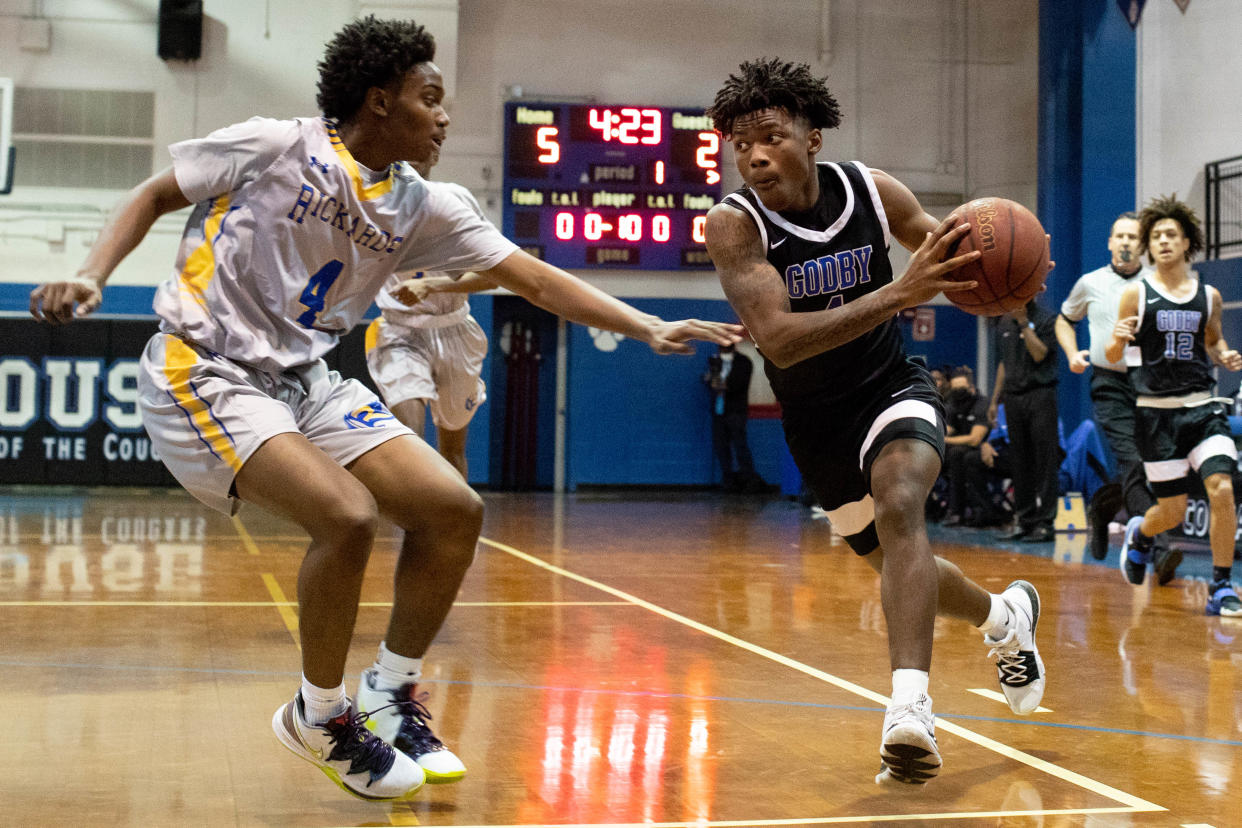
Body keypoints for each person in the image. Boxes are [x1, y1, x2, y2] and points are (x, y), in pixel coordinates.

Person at [28, 17, 741, 802]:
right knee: (348, 516)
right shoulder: (274, 145)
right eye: (429, 98)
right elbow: (156, 191)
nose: (443, 116)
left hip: (305, 378)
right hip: (205, 368)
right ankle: (320, 713)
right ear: (377, 101)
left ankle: (390, 693)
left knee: (451, 509)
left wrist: (645, 323)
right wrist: (94, 274)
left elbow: (532, 277)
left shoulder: (422, 204)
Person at [703, 58, 1045, 786]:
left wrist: (1012, 281)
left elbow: (957, 256)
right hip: (815, 417)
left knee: (900, 506)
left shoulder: (871, 188)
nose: (755, 155)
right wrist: (900, 292)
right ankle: (1005, 619)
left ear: (813, 135)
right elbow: (780, 337)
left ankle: (910, 709)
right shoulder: (734, 227)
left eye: (770, 136)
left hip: (892, 384)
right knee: (896, 564)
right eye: (740, 144)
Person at [1105, 195, 1242, 616]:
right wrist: (1117, 338)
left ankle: (1222, 586)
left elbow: (1213, 338)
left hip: (1203, 410)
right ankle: (1141, 534)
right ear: (1150, 246)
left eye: (1171, 235)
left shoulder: (1209, 295)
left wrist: (1224, 353)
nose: (1163, 241)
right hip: (1155, 416)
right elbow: (1113, 357)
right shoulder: (1135, 295)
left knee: (1222, 489)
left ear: (1187, 243)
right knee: (1171, 512)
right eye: (1157, 236)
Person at [365, 153, 497, 480]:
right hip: (400, 331)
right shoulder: (368, 206)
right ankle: (415, 525)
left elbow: (496, 275)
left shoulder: (456, 199)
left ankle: (451, 528)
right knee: (412, 441)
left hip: (455, 330)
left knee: (452, 449)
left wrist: (433, 285)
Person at [1057, 213, 1176, 573]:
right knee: (1132, 461)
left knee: (1155, 465)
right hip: (1109, 382)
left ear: (1143, 245)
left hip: (1151, 383)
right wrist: (1072, 353)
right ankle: (1159, 547)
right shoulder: (1090, 283)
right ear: (1110, 242)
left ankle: (1106, 502)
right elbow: (1065, 319)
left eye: (1132, 237)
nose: (1125, 242)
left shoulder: (1158, 284)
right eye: (1119, 236)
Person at [989, 299, 1061, 543]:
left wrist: (1023, 323)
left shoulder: (1048, 319)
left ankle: (1046, 523)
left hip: (1040, 394)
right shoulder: (1002, 322)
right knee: (1020, 460)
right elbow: (1002, 364)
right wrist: (994, 399)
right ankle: (1025, 520)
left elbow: (1040, 354)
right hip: (1012, 397)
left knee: (1045, 459)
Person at [703, 342, 765, 492]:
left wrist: (723, 385)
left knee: (740, 445)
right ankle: (728, 481)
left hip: (736, 410)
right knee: (721, 446)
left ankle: (749, 480)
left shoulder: (743, 362)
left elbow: (739, 384)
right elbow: (709, 380)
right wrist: (711, 380)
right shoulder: (714, 361)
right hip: (719, 410)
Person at [940, 366, 992, 526]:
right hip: (963, 451)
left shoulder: (982, 404)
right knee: (955, 454)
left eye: (961, 388)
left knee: (964, 456)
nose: (958, 391)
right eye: (954, 388)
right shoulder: (953, 404)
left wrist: (944, 440)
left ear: (971, 387)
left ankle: (981, 510)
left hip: (988, 448)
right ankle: (956, 511)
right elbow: (948, 430)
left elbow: (975, 439)